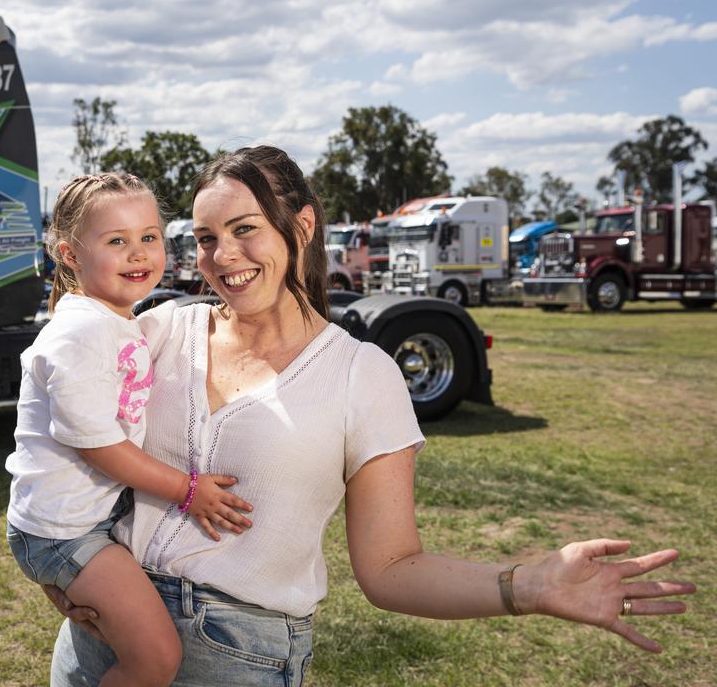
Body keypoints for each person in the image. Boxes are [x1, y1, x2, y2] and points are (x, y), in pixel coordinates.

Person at [44, 147, 696, 686]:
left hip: (236, 658)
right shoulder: (154, 332)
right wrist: (59, 575)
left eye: (246, 229)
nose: (222, 258)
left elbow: (390, 569)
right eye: (208, 238)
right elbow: (57, 454)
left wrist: (527, 585)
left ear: (300, 227)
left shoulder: (364, 377)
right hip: (100, 640)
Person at [5, 172, 255, 687]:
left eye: (149, 237)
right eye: (116, 241)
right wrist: (188, 491)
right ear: (70, 255)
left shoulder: (115, 321)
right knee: (156, 659)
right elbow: (98, 446)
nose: (138, 254)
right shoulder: (80, 333)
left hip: (81, 521)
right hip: (63, 531)